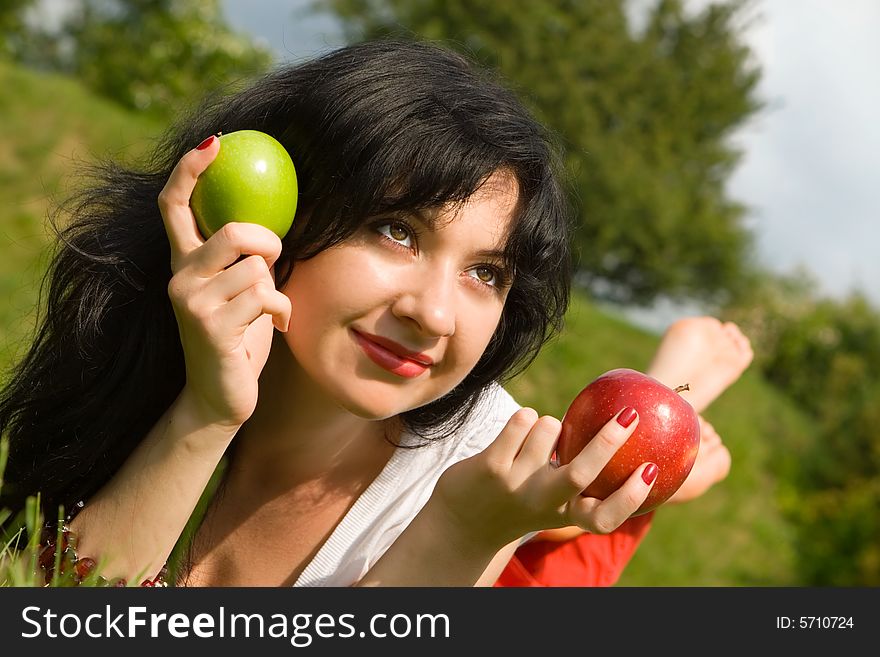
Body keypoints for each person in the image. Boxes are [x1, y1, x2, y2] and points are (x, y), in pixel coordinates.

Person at [0, 39, 748, 587]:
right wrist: (205, 412)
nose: (434, 314)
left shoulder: (469, 468)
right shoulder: (139, 356)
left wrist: (459, 534)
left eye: (486, 272)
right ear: (283, 215)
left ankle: (675, 396)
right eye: (397, 231)